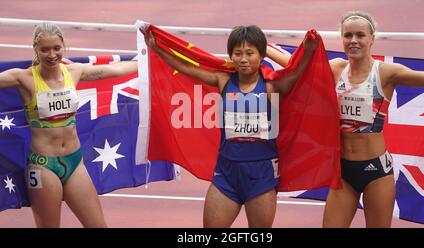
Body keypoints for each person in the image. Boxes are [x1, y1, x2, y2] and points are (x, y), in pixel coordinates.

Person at [266, 10, 424, 227]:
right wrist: (264, 48)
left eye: (360, 35)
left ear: (372, 38)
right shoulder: (336, 68)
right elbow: (296, 65)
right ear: (342, 38)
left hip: (377, 172)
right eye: (348, 35)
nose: (353, 40)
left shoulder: (386, 73)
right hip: (342, 171)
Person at [141, 24, 320, 227]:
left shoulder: (272, 86)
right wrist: (156, 48)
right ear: (231, 56)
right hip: (226, 174)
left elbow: (298, 74)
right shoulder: (223, 80)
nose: (243, 59)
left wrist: (309, 50)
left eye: (250, 53)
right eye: (238, 53)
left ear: (262, 56)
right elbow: (186, 68)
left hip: (261, 176)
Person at [0, 23, 137, 227]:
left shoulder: (74, 72)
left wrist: (148, 60)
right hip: (43, 167)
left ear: (63, 46)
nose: (52, 54)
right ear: (35, 49)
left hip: (75, 164)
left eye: (56, 48)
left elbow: (114, 70)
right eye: (45, 49)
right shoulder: (24, 78)